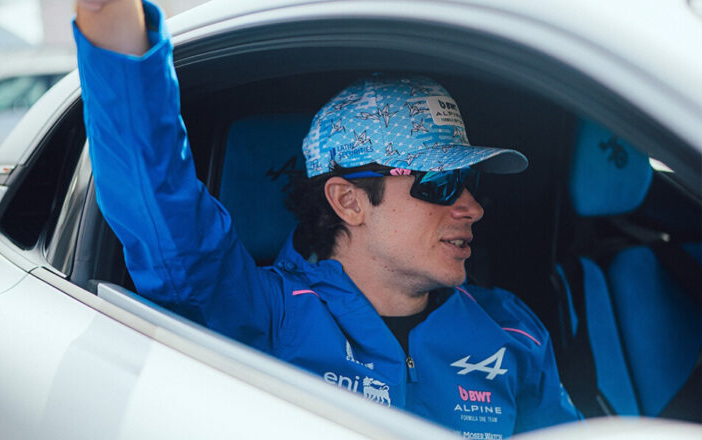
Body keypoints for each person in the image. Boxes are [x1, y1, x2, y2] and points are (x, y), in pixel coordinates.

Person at [73, 0, 579, 437]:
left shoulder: (511, 327)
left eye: (470, 181)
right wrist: (109, 14)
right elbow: (157, 196)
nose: (472, 207)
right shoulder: (264, 316)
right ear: (349, 201)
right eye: (440, 182)